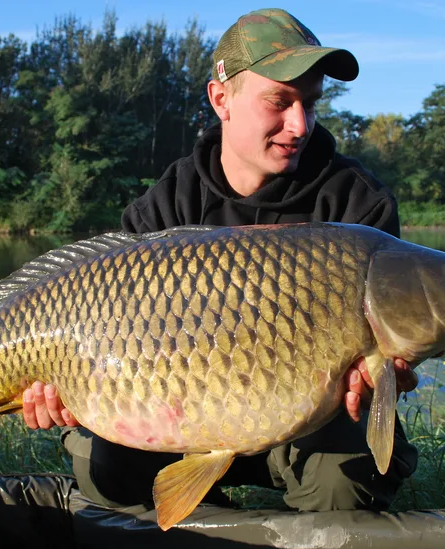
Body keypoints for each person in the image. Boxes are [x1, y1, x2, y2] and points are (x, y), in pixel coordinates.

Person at [23, 8, 419, 514]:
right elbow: (106, 337)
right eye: (280, 101)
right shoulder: (165, 207)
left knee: (344, 483)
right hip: (179, 415)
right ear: (221, 98)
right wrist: (65, 390)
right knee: (100, 462)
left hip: (313, 421)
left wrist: (391, 371)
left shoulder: (357, 208)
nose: (299, 124)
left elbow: (391, 357)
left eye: (311, 103)